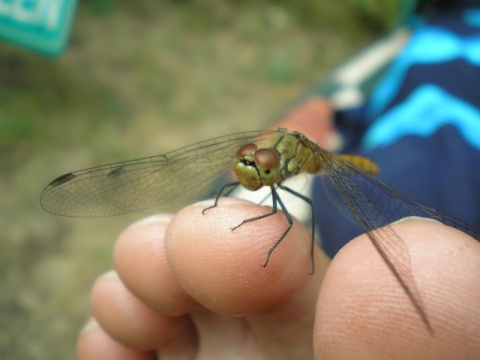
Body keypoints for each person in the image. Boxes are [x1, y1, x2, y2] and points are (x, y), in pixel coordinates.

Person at [77, 1, 480, 358]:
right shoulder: (262, 157)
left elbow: (293, 209)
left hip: (370, 160)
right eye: (247, 163)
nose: (248, 170)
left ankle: (320, 280)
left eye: (258, 166)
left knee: (383, 230)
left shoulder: (305, 164)